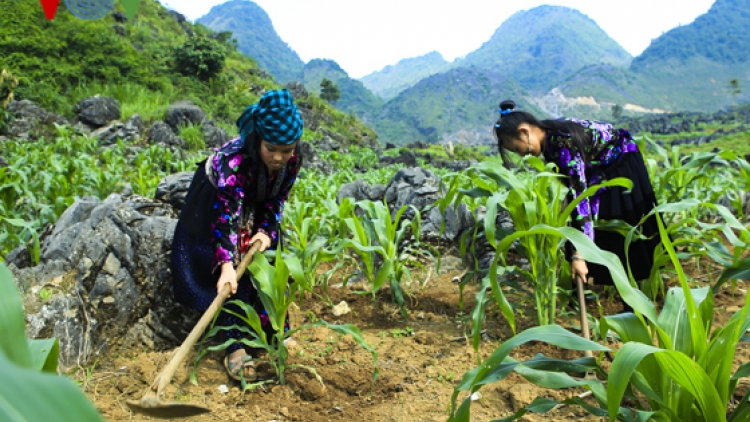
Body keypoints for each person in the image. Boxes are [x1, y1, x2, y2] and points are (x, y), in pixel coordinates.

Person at [171, 89, 303, 381]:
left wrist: (266, 231)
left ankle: (276, 331)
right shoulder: (235, 161)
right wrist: (227, 266)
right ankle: (235, 345)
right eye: (272, 149)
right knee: (230, 280)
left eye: (287, 149)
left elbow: (277, 198)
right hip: (217, 206)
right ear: (258, 139)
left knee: (267, 265)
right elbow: (226, 217)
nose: (280, 157)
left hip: (256, 202)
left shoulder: (293, 159)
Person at [493, 100, 661, 310]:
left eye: (518, 148)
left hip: (620, 165)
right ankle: (580, 295)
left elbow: (580, 200)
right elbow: (570, 186)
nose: (522, 154)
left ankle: (636, 308)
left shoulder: (562, 143)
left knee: (618, 234)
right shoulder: (550, 139)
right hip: (599, 171)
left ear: (524, 131)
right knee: (583, 227)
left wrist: (579, 255)